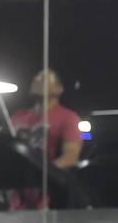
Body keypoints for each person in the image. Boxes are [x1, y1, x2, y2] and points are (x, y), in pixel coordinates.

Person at [9, 69, 84, 210]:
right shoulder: (18, 116)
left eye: (43, 79)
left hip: (49, 201)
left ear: (59, 89)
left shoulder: (68, 118)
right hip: (18, 202)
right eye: (35, 78)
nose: (37, 81)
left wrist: (41, 175)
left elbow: (70, 157)